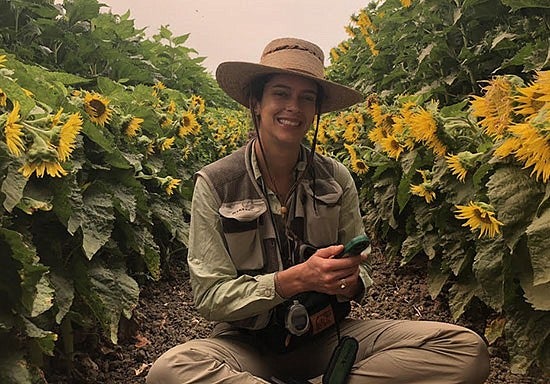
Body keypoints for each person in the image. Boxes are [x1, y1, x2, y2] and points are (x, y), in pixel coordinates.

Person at [146, 37, 490, 384]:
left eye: (306, 98)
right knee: (167, 371)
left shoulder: (336, 178)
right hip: (246, 349)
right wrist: (293, 280)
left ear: (316, 111)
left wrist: (349, 281)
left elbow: (363, 276)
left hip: (327, 338)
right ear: (256, 102)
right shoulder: (216, 183)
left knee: (464, 350)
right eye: (281, 93)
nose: (293, 107)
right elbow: (210, 297)